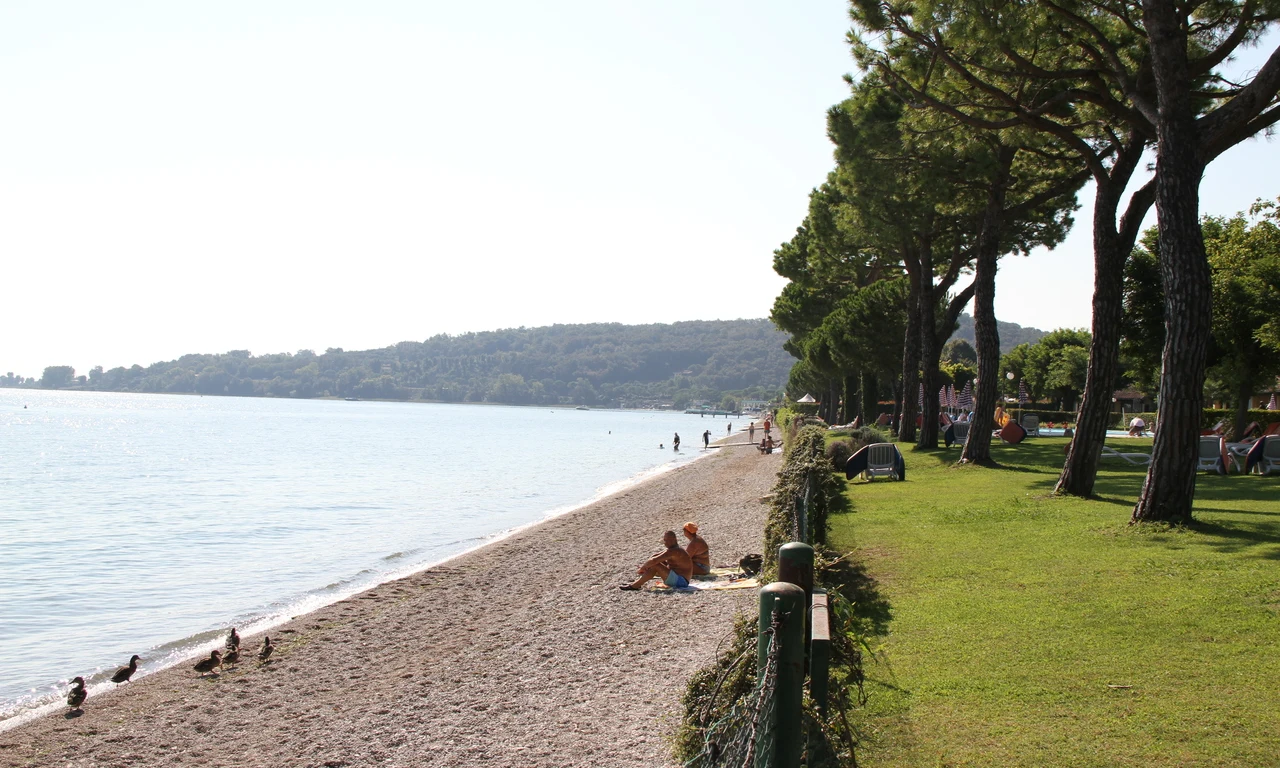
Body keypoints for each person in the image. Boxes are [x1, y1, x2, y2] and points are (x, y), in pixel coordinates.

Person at [620, 531, 694, 590]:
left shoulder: (674, 551)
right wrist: (647, 566)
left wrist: (642, 568)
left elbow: (654, 560)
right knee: (655, 563)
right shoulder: (673, 549)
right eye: (665, 540)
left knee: (655, 565)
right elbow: (655, 556)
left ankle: (635, 585)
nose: (665, 543)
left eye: (667, 540)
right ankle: (637, 583)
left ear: (674, 540)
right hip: (678, 578)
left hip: (681, 581)